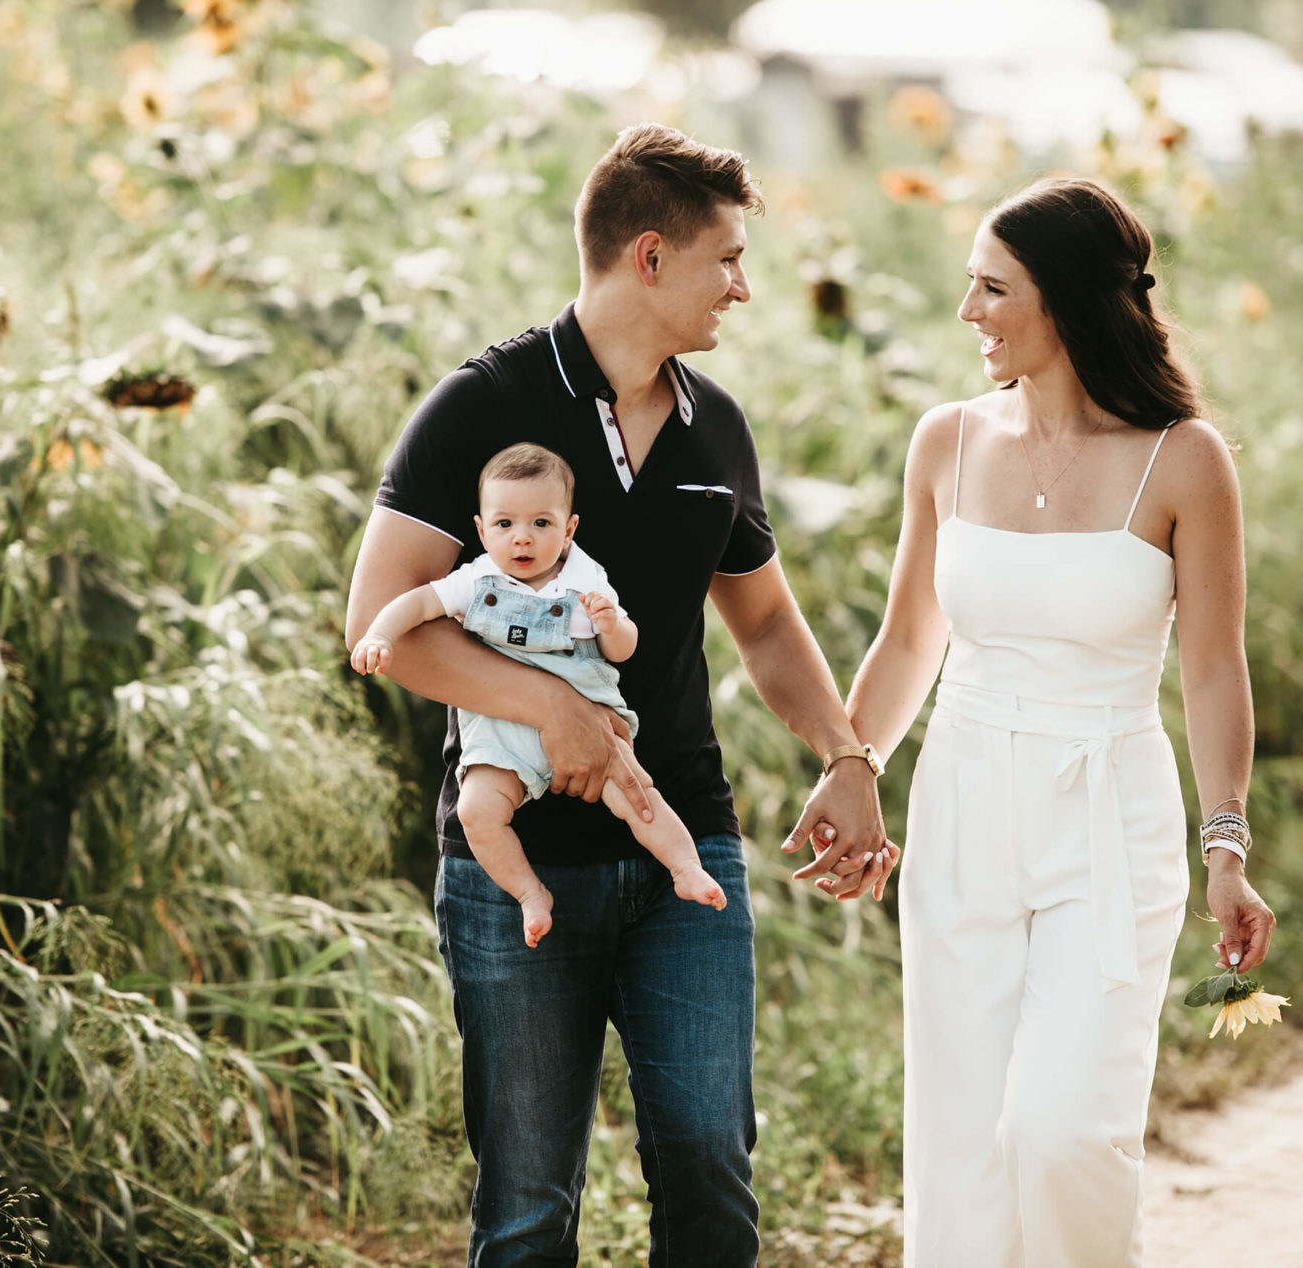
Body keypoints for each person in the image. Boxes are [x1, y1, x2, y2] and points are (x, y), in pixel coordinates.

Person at [345, 122, 894, 1267]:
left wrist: (847, 757)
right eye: (727, 260)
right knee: (529, 1208)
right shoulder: (477, 405)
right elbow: (381, 628)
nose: (744, 288)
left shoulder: (717, 427)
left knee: (708, 1169)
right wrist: (551, 710)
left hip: (684, 843)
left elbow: (766, 622)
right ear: (650, 256)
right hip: (517, 869)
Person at [840, 176, 1279, 1266]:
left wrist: (1224, 842)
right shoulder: (943, 440)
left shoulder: (1185, 457)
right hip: (963, 800)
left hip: (1107, 816)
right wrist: (853, 763)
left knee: (1060, 1133)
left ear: (1069, 301)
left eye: (992, 287)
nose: (968, 311)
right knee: (964, 1142)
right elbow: (908, 641)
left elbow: (1214, 670)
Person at [350, 441, 728, 948]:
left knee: (638, 796)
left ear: (569, 529)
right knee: (477, 811)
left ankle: (685, 868)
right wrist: (379, 635)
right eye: (505, 525)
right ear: (482, 530)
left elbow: (622, 651)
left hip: (587, 712)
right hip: (502, 724)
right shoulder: (476, 578)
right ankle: (530, 894)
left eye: (541, 525)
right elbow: (416, 604)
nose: (521, 539)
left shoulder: (585, 581)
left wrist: (612, 624)